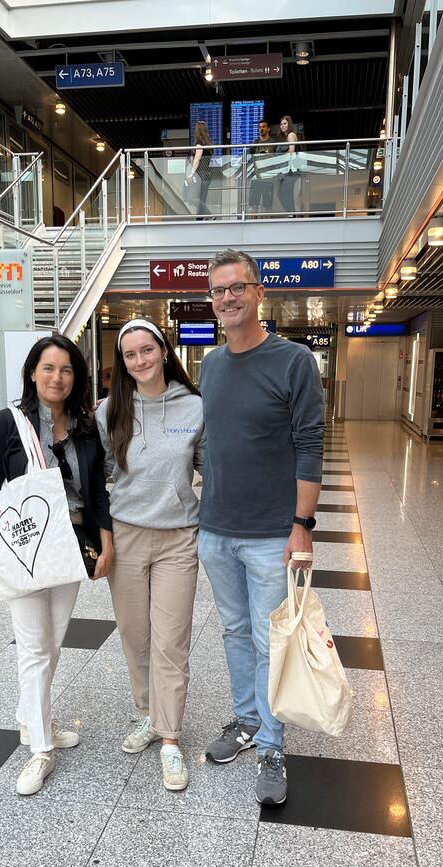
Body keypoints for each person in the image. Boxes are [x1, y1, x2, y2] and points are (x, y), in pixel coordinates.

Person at [198, 250, 324, 806]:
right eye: (219, 290)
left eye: (237, 287)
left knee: (270, 639)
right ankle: (247, 720)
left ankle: (272, 746)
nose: (227, 297)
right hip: (216, 528)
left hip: (273, 532)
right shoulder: (210, 365)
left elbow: (310, 444)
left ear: (258, 293)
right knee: (234, 632)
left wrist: (302, 525)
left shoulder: (293, 361)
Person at [0, 335, 113, 796]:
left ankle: (34, 719)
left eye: (67, 369)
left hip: (70, 544)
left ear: (77, 377)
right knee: (33, 649)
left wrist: (106, 542)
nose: (58, 377)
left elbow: (96, 489)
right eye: (49, 368)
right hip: (22, 547)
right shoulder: (10, 422)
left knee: (52, 644)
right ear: (33, 373)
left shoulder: (84, 425)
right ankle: (40, 748)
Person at [96, 319, 205, 791]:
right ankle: (148, 713)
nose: (139, 360)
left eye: (147, 350)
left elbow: (211, 467)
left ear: (163, 351)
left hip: (178, 538)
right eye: (130, 354)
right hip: (126, 538)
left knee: (171, 641)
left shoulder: (195, 406)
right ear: (122, 363)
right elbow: (100, 471)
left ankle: (170, 739)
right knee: (135, 636)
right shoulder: (110, 411)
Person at [184, 120, 213, 218]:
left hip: (200, 175)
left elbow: (197, 160)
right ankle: (200, 219)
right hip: (207, 175)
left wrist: (191, 174)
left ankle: (209, 216)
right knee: (201, 200)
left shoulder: (199, 144)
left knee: (191, 198)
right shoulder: (208, 145)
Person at [248, 118, 274, 214]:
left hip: (268, 177)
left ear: (268, 129)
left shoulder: (273, 142)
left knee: (267, 205)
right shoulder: (256, 142)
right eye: (259, 127)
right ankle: (253, 222)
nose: (261, 129)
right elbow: (249, 156)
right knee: (253, 205)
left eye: (263, 127)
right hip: (257, 177)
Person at [277, 114, 299, 215]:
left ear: (289, 124)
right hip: (286, 170)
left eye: (285, 123)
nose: (282, 126)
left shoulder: (291, 135)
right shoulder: (286, 137)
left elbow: (291, 152)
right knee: (285, 193)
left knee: (283, 193)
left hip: (290, 170)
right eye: (281, 124)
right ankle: (291, 213)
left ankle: (292, 213)